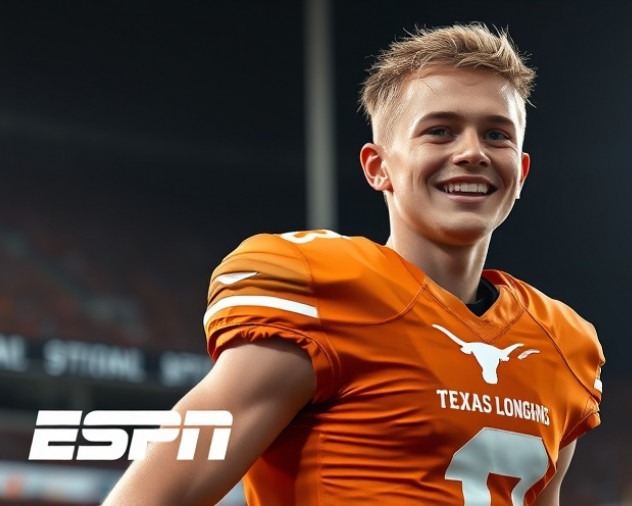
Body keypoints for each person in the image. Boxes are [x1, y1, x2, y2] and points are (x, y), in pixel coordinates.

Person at [103, 23, 605, 506]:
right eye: (440, 131)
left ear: (521, 169)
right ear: (378, 166)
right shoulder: (322, 288)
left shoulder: (563, 343)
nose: (472, 152)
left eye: (497, 135)